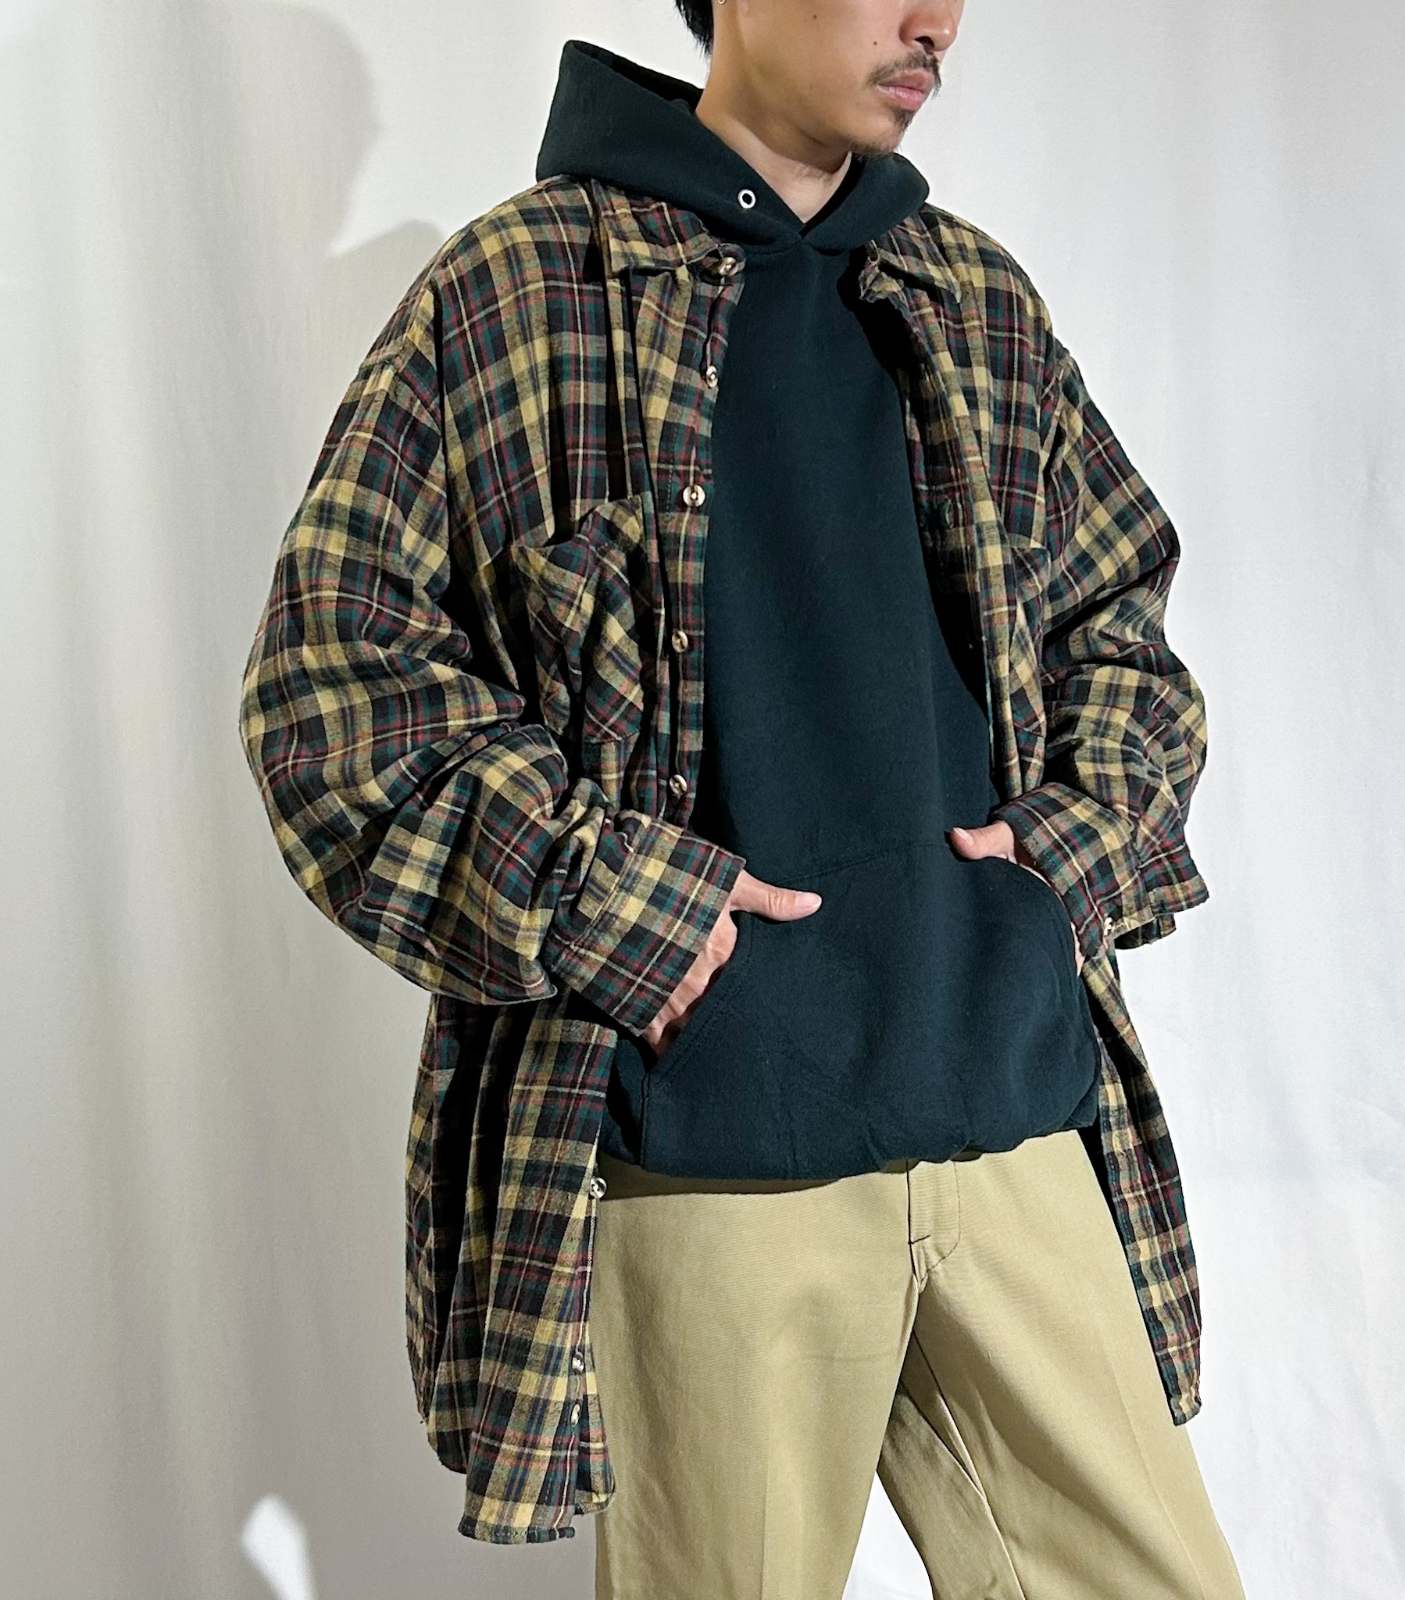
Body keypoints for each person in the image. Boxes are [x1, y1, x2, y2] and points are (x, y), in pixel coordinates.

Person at [238, 4, 1245, 1595]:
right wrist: (620, 903)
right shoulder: (523, 292)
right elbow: (332, 693)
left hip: (1011, 1118)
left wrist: (1063, 860)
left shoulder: (968, 297)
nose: (934, 21)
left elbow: (1119, 625)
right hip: (709, 1161)